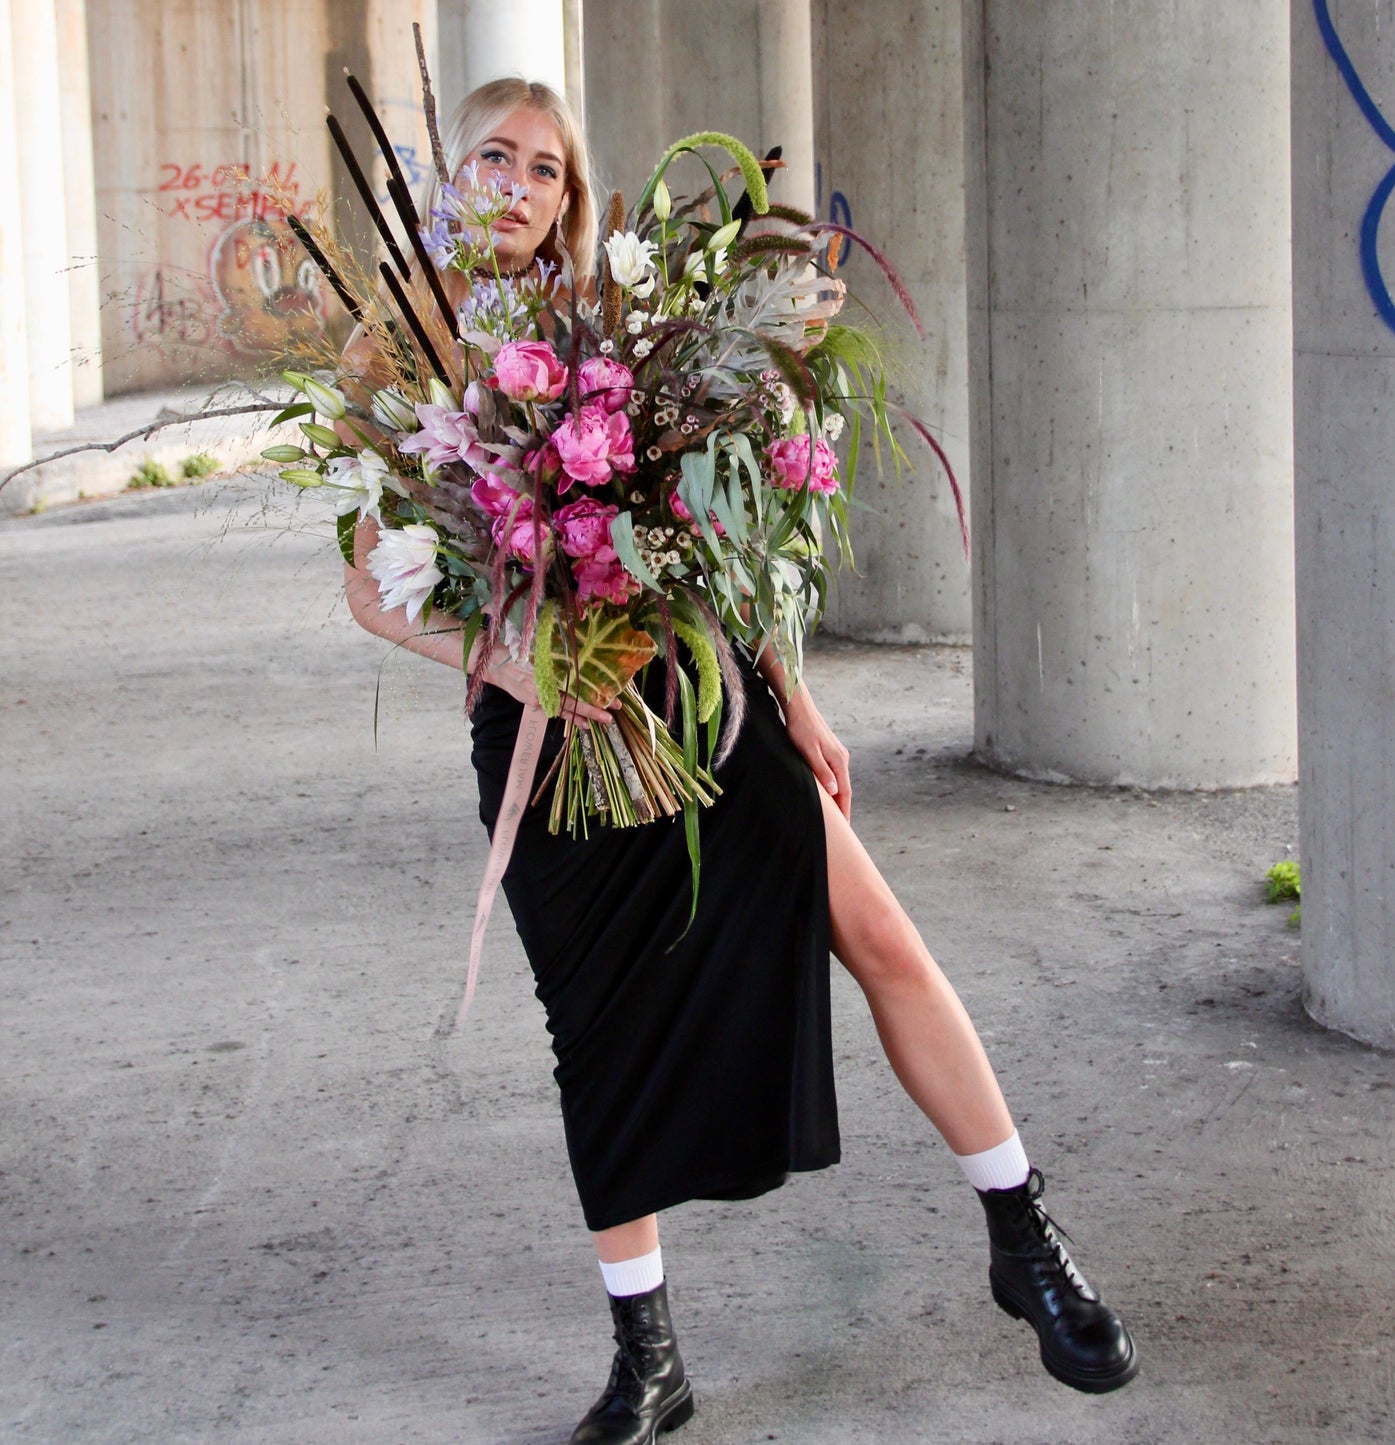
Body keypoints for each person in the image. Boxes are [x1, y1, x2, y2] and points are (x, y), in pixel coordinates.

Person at [341, 77, 1138, 1445]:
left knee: (879, 934)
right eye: (495, 157)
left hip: (692, 690)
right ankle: (646, 1354)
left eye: (545, 166)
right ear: (451, 175)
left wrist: (796, 696)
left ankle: (1024, 1239)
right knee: (595, 1036)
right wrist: (524, 669)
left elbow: (714, 546)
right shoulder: (401, 357)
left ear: (570, 196)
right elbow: (371, 591)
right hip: (544, 729)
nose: (520, 184)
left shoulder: (619, 329)